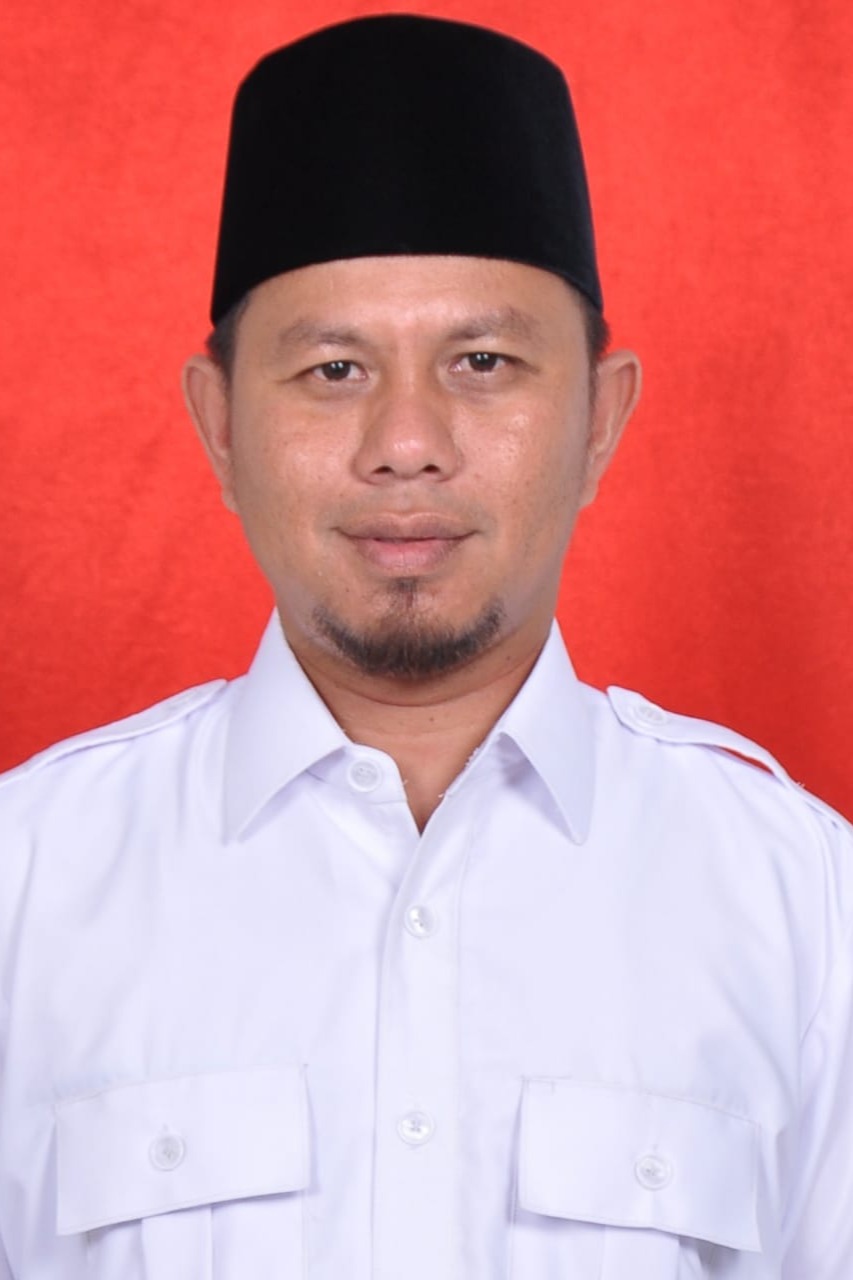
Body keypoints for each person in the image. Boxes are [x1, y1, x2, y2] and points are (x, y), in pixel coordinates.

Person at [0, 13, 850, 1279]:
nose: (406, 442)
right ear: (220, 426)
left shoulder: (804, 905)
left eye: (483, 360)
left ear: (600, 420)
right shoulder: (24, 885)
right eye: (334, 369)